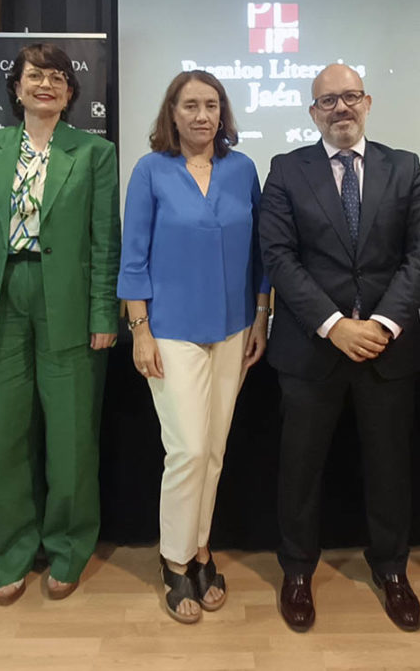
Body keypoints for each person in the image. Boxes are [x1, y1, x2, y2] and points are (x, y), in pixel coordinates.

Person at [259, 63, 420, 632]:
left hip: (387, 350)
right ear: (313, 112)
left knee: (390, 467)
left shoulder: (405, 167)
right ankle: (296, 572)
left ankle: (391, 570)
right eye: (327, 100)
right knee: (300, 469)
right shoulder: (287, 170)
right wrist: (335, 324)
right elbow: (279, 257)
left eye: (350, 97)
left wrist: (384, 323)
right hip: (312, 349)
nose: (341, 108)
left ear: (368, 102)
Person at [0, 43, 120, 607]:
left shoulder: (94, 152)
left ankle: (68, 548)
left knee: (71, 437)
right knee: (3, 435)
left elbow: (104, 242)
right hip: (0, 298)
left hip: (67, 301)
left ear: (71, 93)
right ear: (16, 88)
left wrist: (102, 313)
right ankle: (11, 552)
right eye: (34, 76)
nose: (46, 84)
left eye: (58, 77)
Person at [118, 70, 269, 624]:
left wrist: (260, 315)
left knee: (214, 449)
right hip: (171, 330)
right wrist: (140, 329)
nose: (201, 115)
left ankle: (201, 549)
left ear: (222, 113)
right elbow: (132, 255)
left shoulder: (242, 169)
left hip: (232, 329)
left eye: (211, 105)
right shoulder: (151, 171)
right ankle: (174, 559)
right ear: (172, 113)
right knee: (185, 450)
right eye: (190, 106)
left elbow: (260, 253)